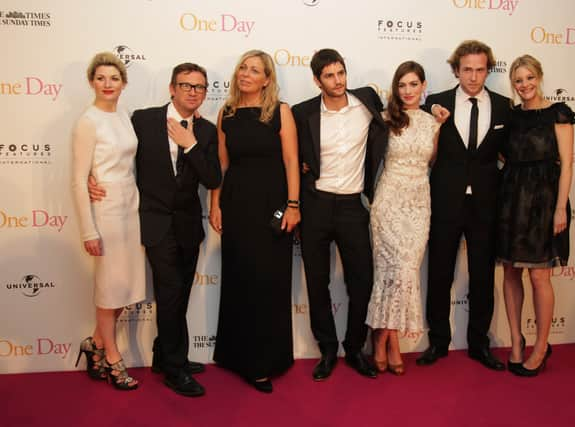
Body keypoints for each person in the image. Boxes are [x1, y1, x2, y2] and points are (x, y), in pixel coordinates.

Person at [89, 62, 221, 396]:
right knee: (171, 293)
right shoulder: (144, 120)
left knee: (179, 296)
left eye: (199, 87)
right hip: (154, 223)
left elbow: (213, 179)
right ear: (172, 88)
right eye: (186, 85)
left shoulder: (205, 132)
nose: (193, 92)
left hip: (190, 226)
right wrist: (93, 176)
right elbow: (116, 151)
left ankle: (165, 354)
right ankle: (176, 369)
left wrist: (189, 144)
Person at [291, 48, 387, 381]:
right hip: (315, 204)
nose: (338, 81)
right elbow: (290, 156)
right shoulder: (302, 113)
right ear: (317, 80)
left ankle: (355, 347)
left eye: (341, 73)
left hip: (352, 206)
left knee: (362, 280)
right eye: (329, 76)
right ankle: (328, 349)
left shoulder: (368, 101)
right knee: (317, 282)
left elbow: (400, 116)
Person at [209, 50, 300, 394]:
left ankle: (265, 361)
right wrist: (216, 204)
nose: (246, 74)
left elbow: (292, 161)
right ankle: (236, 357)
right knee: (239, 281)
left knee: (268, 283)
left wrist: (293, 205)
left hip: (272, 208)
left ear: (267, 79)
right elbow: (223, 165)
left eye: (255, 70)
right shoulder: (226, 113)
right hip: (236, 207)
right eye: (243, 68)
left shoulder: (280, 112)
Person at [417, 40, 510, 371]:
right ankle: (438, 342)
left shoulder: (503, 106)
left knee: (483, 276)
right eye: (467, 69)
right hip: (445, 200)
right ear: (456, 70)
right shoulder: (436, 103)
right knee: (440, 273)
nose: (473, 76)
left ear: (488, 70)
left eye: (480, 69)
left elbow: (508, 156)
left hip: (486, 204)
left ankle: (479, 344)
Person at [497, 54, 575, 377]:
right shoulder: (511, 116)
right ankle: (516, 341)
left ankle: (542, 346)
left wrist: (560, 207)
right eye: (518, 80)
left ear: (539, 77)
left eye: (529, 78)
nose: (524, 85)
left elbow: (568, 165)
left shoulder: (558, 113)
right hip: (512, 199)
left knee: (540, 275)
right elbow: (502, 154)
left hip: (544, 200)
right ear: (513, 84)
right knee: (511, 272)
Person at [71, 52, 145, 391]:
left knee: (123, 288)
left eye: (114, 79)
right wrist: (89, 229)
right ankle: (113, 357)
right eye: (100, 78)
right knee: (108, 289)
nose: (107, 84)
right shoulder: (87, 121)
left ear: (123, 83)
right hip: (106, 214)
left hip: (130, 209)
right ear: (91, 82)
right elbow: (77, 178)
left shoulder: (123, 116)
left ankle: (94, 344)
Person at [365, 61, 441, 376]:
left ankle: (381, 337)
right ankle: (390, 344)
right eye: (402, 85)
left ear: (424, 86)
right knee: (388, 273)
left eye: (413, 84)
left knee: (405, 273)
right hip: (388, 204)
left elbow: (433, 163)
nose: (408, 91)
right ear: (395, 89)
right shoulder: (384, 120)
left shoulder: (435, 123)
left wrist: (440, 119)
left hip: (419, 204)